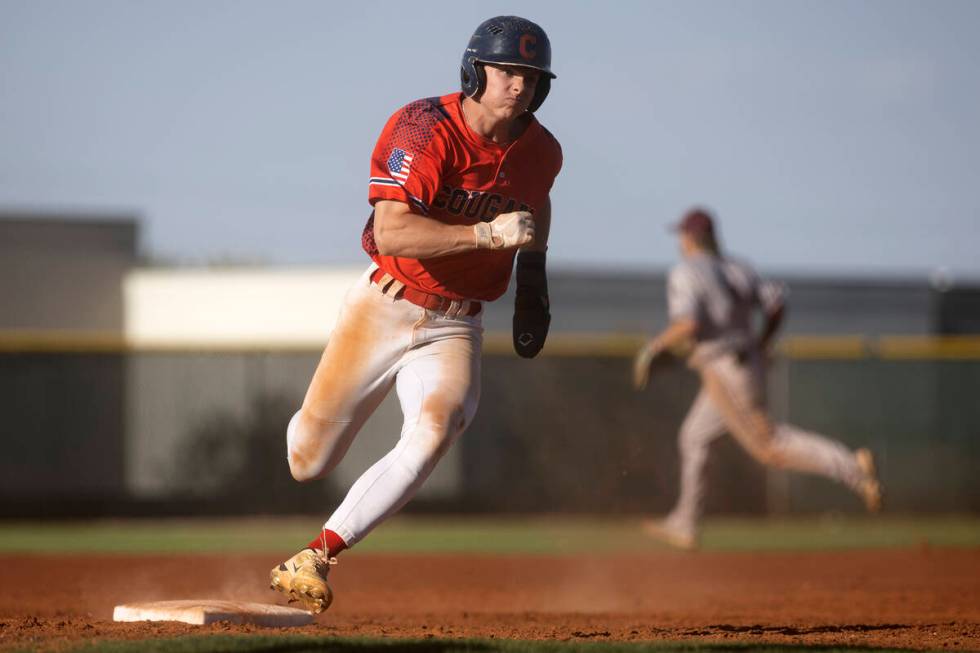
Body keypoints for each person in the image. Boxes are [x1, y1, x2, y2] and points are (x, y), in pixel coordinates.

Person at [269, 16, 562, 612]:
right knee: (307, 461)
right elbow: (392, 229)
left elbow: (538, 204)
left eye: (532, 77)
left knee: (437, 429)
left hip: (456, 324)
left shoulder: (544, 150)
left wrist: (532, 278)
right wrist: (484, 234)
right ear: (476, 70)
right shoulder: (424, 126)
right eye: (508, 71)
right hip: (386, 301)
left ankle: (317, 553)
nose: (520, 86)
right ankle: (308, 437)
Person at [633, 207, 882, 551]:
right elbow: (777, 302)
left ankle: (852, 467)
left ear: (692, 238)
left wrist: (654, 346)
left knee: (769, 446)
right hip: (743, 362)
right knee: (693, 437)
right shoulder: (738, 267)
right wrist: (764, 341)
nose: (681, 241)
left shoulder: (686, 271)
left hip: (724, 368)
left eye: (683, 235)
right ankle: (685, 523)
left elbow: (688, 325)